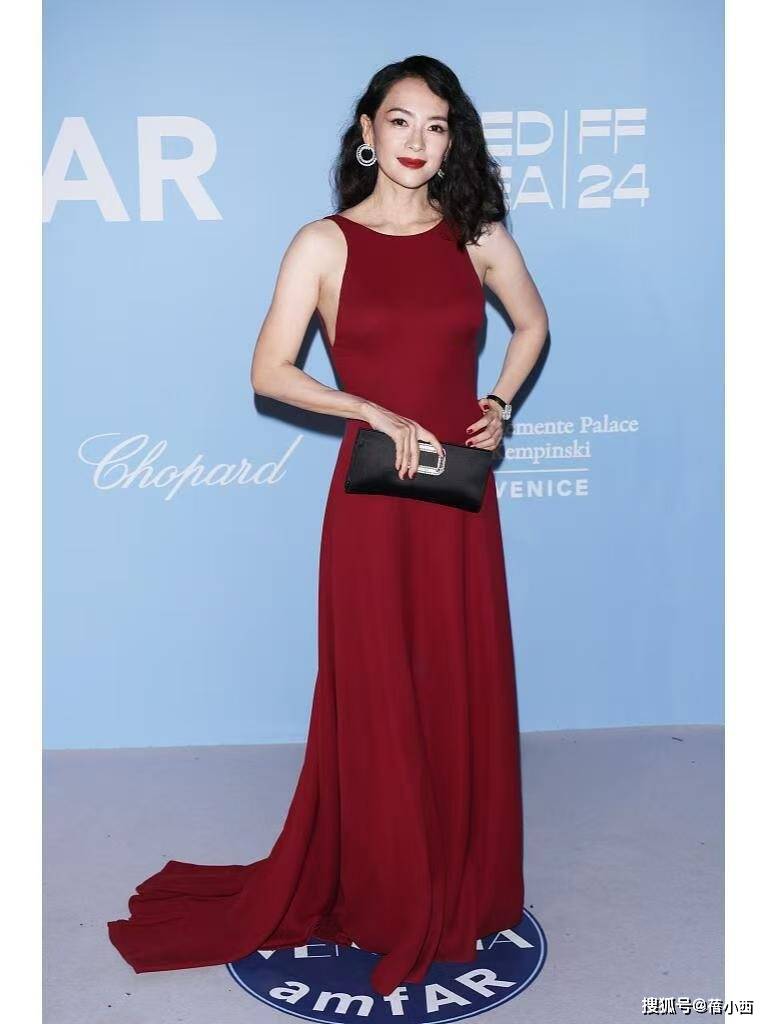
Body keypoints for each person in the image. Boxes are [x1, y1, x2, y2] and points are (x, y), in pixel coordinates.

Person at [107, 54, 549, 997]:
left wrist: (501, 404)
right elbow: (269, 371)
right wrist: (368, 409)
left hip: (459, 505)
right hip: (373, 504)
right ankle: (389, 892)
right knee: (379, 692)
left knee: (457, 679)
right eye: (401, 121)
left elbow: (532, 326)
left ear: (453, 141)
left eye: (437, 125)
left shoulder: (477, 235)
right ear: (368, 132)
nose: (418, 141)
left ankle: (462, 879)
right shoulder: (323, 243)